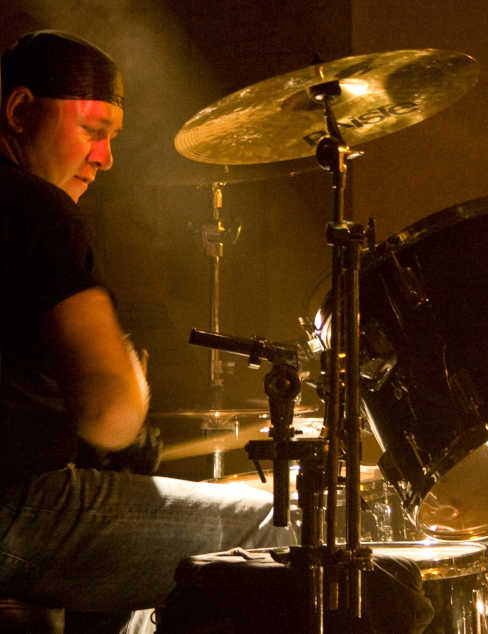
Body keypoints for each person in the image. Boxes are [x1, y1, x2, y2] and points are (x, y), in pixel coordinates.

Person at [0, 31, 432, 634]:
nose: (105, 158)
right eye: (93, 130)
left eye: (112, 138)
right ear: (19, 111)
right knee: (293, 534)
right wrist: (129, 380)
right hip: (17, 511)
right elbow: (110, 412)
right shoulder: (31, 204)